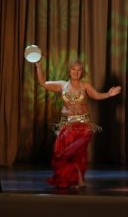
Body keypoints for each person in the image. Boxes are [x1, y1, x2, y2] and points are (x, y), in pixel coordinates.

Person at [34, 59, 121, 189]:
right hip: (66, 126)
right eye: (73, 69)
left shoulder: (85, 86)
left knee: (79, 154)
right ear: (69, 71)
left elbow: (96, 95)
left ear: (82, 72)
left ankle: (80, 181)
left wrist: (108, 94)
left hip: (82, 126)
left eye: (79, 70)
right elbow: (43, 83)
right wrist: (38, 66)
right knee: (64, 154)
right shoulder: (62, 85)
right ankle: (69, 179)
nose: (76, 72)